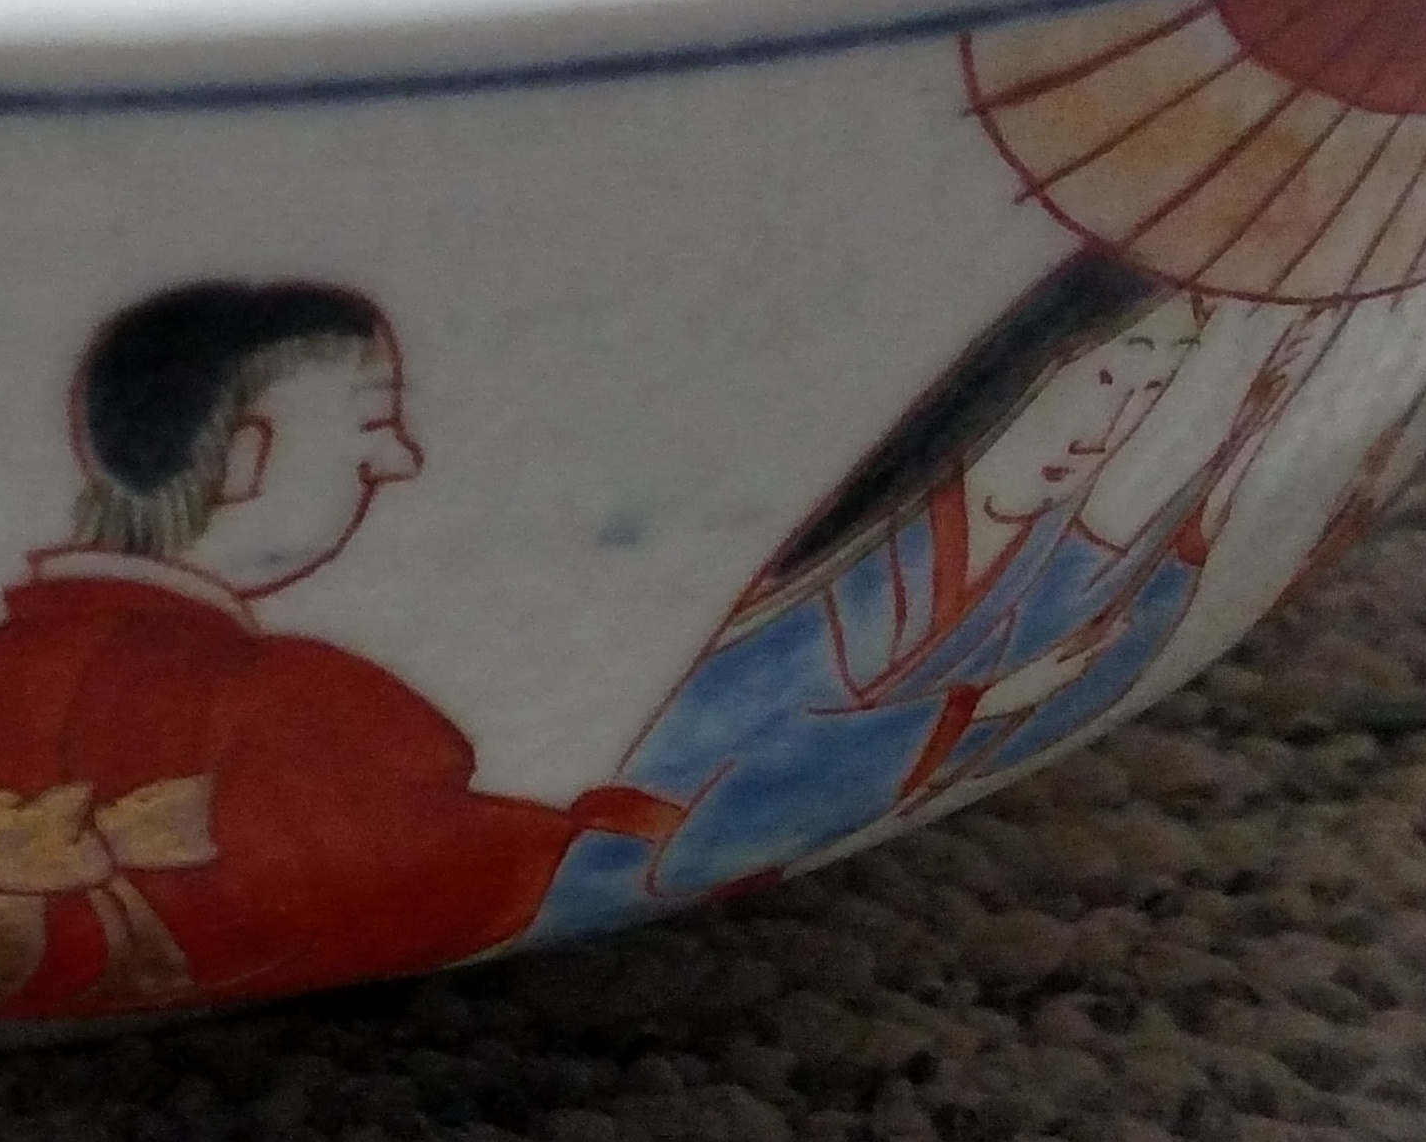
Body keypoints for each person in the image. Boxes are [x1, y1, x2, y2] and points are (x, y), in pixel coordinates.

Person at [0, 282, 678, 1021]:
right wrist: (604, 827)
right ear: (246, 458)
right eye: (372, 426)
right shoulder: (290, 699)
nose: (398, 460)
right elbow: (422, 866)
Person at [542, 252, 1310, 933]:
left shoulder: (1043, 556)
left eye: (1153, 391)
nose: (1107, 429)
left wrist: (1247, 438)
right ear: (1026, 363)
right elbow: (717, 750)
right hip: (624, 850)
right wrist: (980, 705)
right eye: (1106, 378)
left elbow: (1125, 625)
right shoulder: (855, 561)